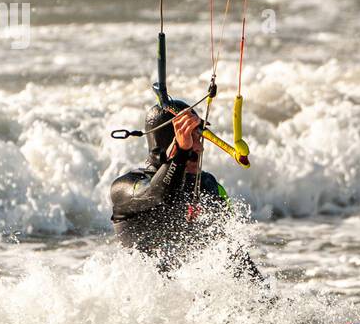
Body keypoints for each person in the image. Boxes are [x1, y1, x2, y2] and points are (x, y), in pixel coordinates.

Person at [110, 98, 260, 278]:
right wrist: (181, 153)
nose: (199, 147)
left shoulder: (209, 186)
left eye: (199, 137)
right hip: (143, 300)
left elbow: (233, 254)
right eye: (190, 138)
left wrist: (267, 299)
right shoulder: (126, 187)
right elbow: (158, 194)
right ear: (168, 143)